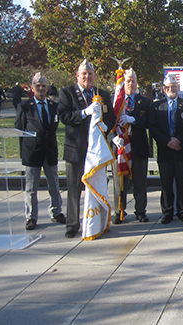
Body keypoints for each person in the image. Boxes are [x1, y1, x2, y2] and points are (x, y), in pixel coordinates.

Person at [58, 59, 115, 238]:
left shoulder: (102, 93)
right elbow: (64, 116)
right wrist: (84, 112)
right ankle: (72, 224)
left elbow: (111, 117)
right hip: (76, 148)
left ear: (94, 76)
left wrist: (106, 127)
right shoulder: (67, 93)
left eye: (90, 74)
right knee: (74, 188)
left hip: (96, 151)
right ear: (78, 76)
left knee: (97, 186)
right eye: (84, 74)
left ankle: (97, 221)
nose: (87, 77)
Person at [15, 72, 65, 230]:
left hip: (49, 150)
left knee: (54, 184)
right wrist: (23, 154)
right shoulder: (24, 107)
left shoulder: (54, 106)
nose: (41, 89)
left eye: (44, 86)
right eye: (38, 86)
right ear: (32, 88)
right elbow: (20, 131)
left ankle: (56, 212)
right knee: (31, 187)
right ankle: (31, 216)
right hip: (32, 152)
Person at [149, 74, 183, 224]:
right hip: (165, 151)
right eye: (167, 87)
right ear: (163, 89)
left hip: (182, 149)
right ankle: (167, 212)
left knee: (182, 183)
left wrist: (179, 140)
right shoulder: (156, 106)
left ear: (178, 88)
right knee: (166, 184)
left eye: (173, 87)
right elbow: (153, 128)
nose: (171, 89)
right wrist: (168, 141)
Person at [111, 68, 151, 224]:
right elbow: (106, 124)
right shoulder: (115, 101)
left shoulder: (145, 101)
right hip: (120, 147)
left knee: (140, 181)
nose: (130, 84)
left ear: (137, 83)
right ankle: (119, 211)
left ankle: (141, 211)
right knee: (120, 181)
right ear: (123, 83)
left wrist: (134, 120)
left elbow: (149, 122)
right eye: (127, 81)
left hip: (139, 146)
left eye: (133, 81)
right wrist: (113, 138)